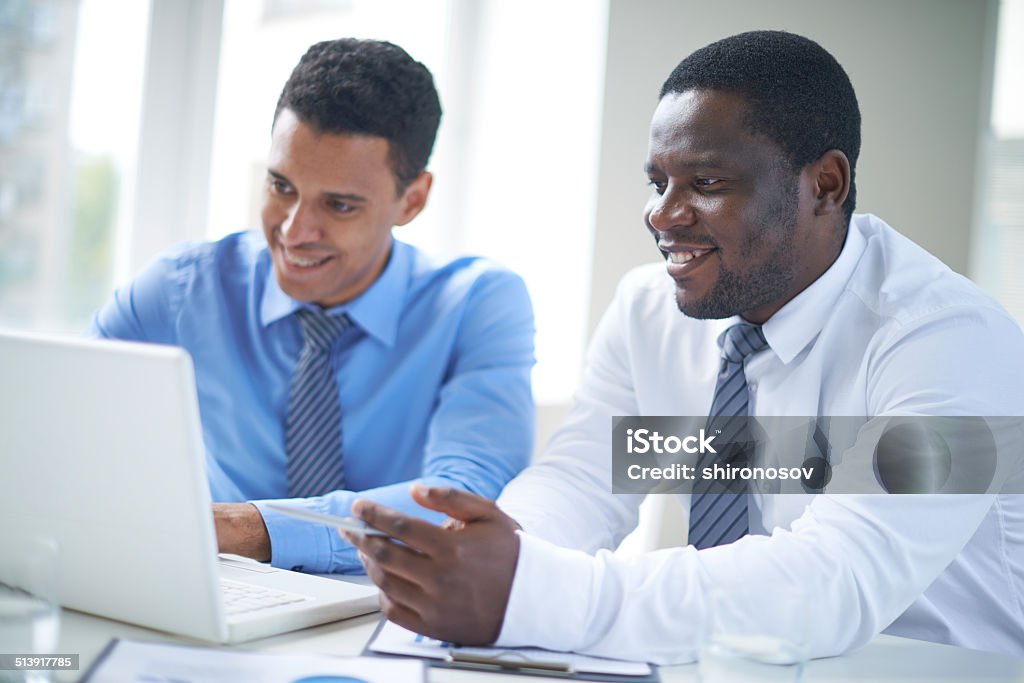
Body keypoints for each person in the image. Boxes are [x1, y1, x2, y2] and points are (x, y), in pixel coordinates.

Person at [343, 31, 1024, 663]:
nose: (662, 215)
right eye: (657, 181)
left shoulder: (951, 342)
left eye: (706, 183)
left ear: (825, 185)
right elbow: (585, 479)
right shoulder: (651, 312)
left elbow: (838, 577)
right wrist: (494, 549)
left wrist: (542, 592)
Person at [89, 38, 535, 575]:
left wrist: (247, 528)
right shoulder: (180, 291)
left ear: (412, 199)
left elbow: (459, 502)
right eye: (281, 186)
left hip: (385, 613)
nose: (295, 231)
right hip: (208, 594)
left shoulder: (477, 305)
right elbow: (64, 429)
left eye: (340, 204)